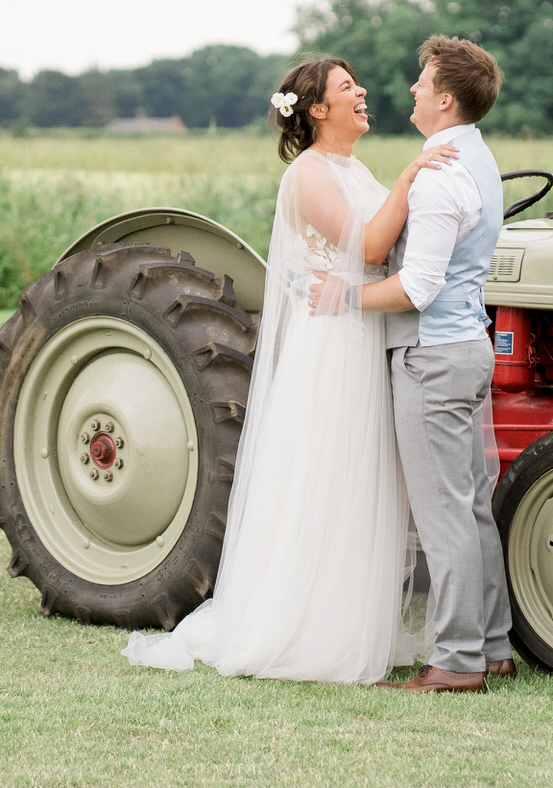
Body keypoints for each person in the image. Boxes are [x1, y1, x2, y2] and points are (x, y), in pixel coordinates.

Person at [120, 56, 457, 684]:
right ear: (318, 112)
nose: (362, 93)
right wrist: (413, 173)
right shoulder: (308, 175)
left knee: (362, 478)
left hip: (362, 329)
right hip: (333, 345)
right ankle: (306, 628)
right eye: (346, 88)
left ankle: (352, 620)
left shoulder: (352, 167)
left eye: (358, 83)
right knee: (328, 474)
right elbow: (372, 247)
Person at [325, 36, 517, 693]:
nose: (409, 89)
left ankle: (456, 662)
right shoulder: (480, 161)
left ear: (445, 97)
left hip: (433, 355)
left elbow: (417, 288)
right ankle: (492, 647)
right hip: (467, 349)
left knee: (443, 515)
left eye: (421, 79)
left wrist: (345, 296)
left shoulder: (439, 178)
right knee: (471, 510)